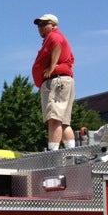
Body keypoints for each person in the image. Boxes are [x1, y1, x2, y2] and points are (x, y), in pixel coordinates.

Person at [32, 13, 76, 150]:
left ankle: (53, 153)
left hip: (56, 81)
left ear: (53, 25)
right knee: (64, 122)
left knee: (54, 119)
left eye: (44, 24)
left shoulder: (54, 35)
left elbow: (57, 44)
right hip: (64, 80)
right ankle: (71, 151)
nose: (40, 27)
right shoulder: (58, 36)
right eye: (39, 25)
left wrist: (52, 66)